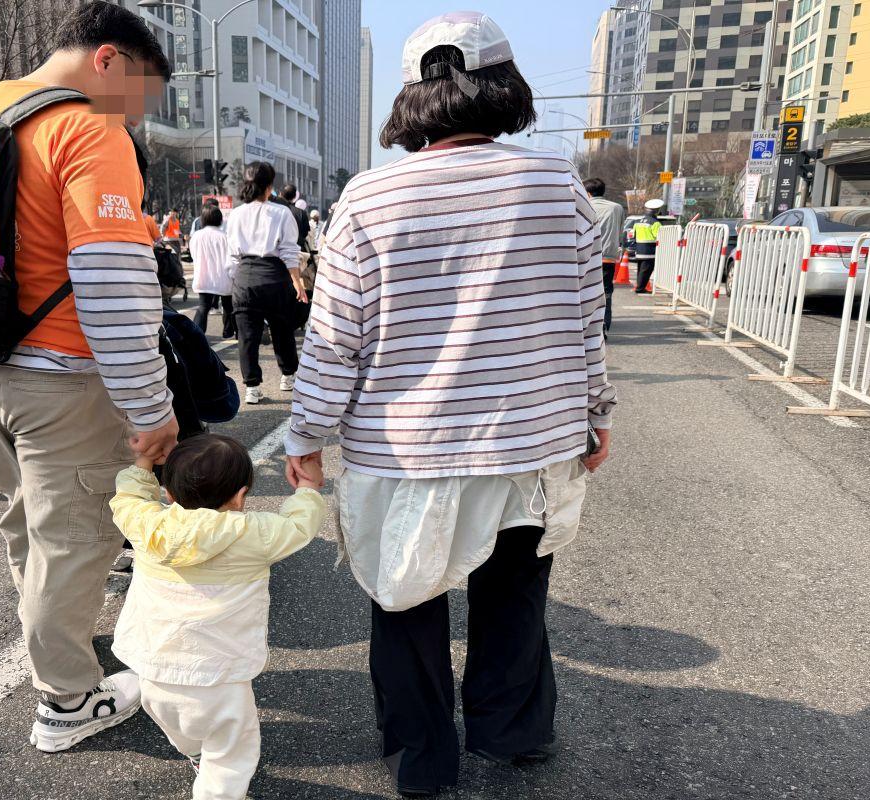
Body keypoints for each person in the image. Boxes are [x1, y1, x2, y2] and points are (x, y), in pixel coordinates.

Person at [284, 14, 617, 797]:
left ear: (413, 98)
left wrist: (305, 433)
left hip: (406, 451)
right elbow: (583, 320)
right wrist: (595, 411)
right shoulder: (553, 184)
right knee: (514, 595)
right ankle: (513, 733)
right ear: (505, 86)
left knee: (405, 602)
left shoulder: (367, 199)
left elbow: (335, 342)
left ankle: (421, 760)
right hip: (529, 442)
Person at [0, 1, 179, 752]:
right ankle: (67, 703)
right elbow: (113, 278)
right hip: (58, 379)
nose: (137, 115)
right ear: (108, 59)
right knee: (75, 539)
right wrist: (150, 406)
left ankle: (55, 647)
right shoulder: (87, 127)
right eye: (141, 94)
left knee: (29, 522)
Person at [110, 434, 325, 800]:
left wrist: (143, 463)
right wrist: (308, 488)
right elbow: (299, 526)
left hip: (152, 667)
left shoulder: (149, 528)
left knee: (182, 730)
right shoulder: (253, 533)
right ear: (241, 497)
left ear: (169, 495)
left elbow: (128, 500)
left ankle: (194, 753)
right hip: (221, 675)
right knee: (230, 756)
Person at [226, 161, 308, 405]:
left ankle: (252, 388)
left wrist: (236, 281)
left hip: (244, 275)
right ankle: (287, 376)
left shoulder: (237, 214)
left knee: (247, 336)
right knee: (282, 330)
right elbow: (289, 252)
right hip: (274, 275)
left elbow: (232, 255)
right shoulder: (282, 212)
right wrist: (298, 283)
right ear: (270, 186)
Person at [584, 177, 625, 333]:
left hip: (586, 255)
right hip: (608, 256)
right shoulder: (617, 208)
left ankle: (586, 326)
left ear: (587, 193)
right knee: (606, 291)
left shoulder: (583, 205)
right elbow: (620, 232)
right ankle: (604, 326)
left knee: (585, 290)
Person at [188, 205, 234, 338]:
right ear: (220, 219)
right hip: (223, 278)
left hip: (203, 277)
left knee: (203, 307)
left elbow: (193, 255)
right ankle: (228, 331)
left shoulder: (196, 236)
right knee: (228, 307)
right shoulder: (225, 237)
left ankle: (196, 336)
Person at [632, 198, 664, 293]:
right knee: (646, 270)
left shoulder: (638, 221)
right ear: (657, 211)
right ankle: (640, 288)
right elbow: (659, 237)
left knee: (641, 270)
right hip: (650, 250)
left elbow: (634, 235)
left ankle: (639, 286)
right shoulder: (655, 223)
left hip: (639, 249)